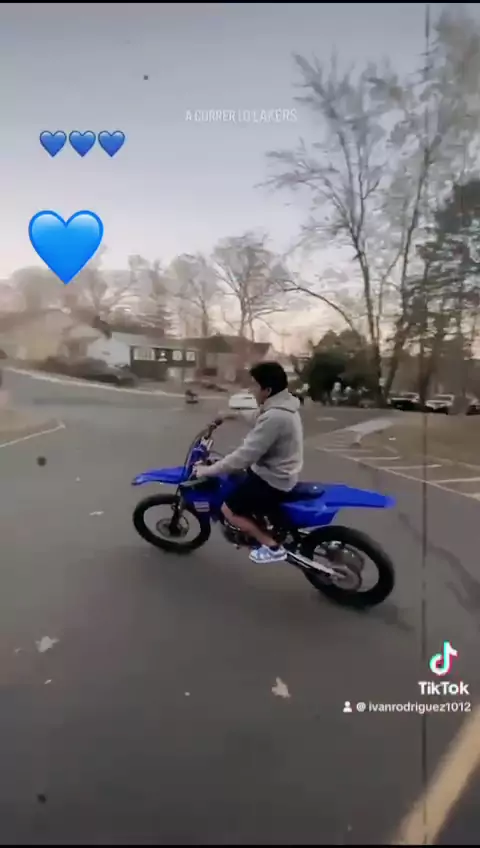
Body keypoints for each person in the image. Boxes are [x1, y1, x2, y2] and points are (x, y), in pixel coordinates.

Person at [193, 361, 304, 563]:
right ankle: (259, 525)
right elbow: (257, 417)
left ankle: (271, 547)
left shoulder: (276, 417)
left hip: (273, 479)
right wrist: (230, 415)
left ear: (267, 390)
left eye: (254, 385)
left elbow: (244, 457)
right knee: (237, 479)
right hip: (279, 471)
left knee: (229, 510)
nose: (251, 390)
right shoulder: (282, 405)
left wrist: (207, 471)